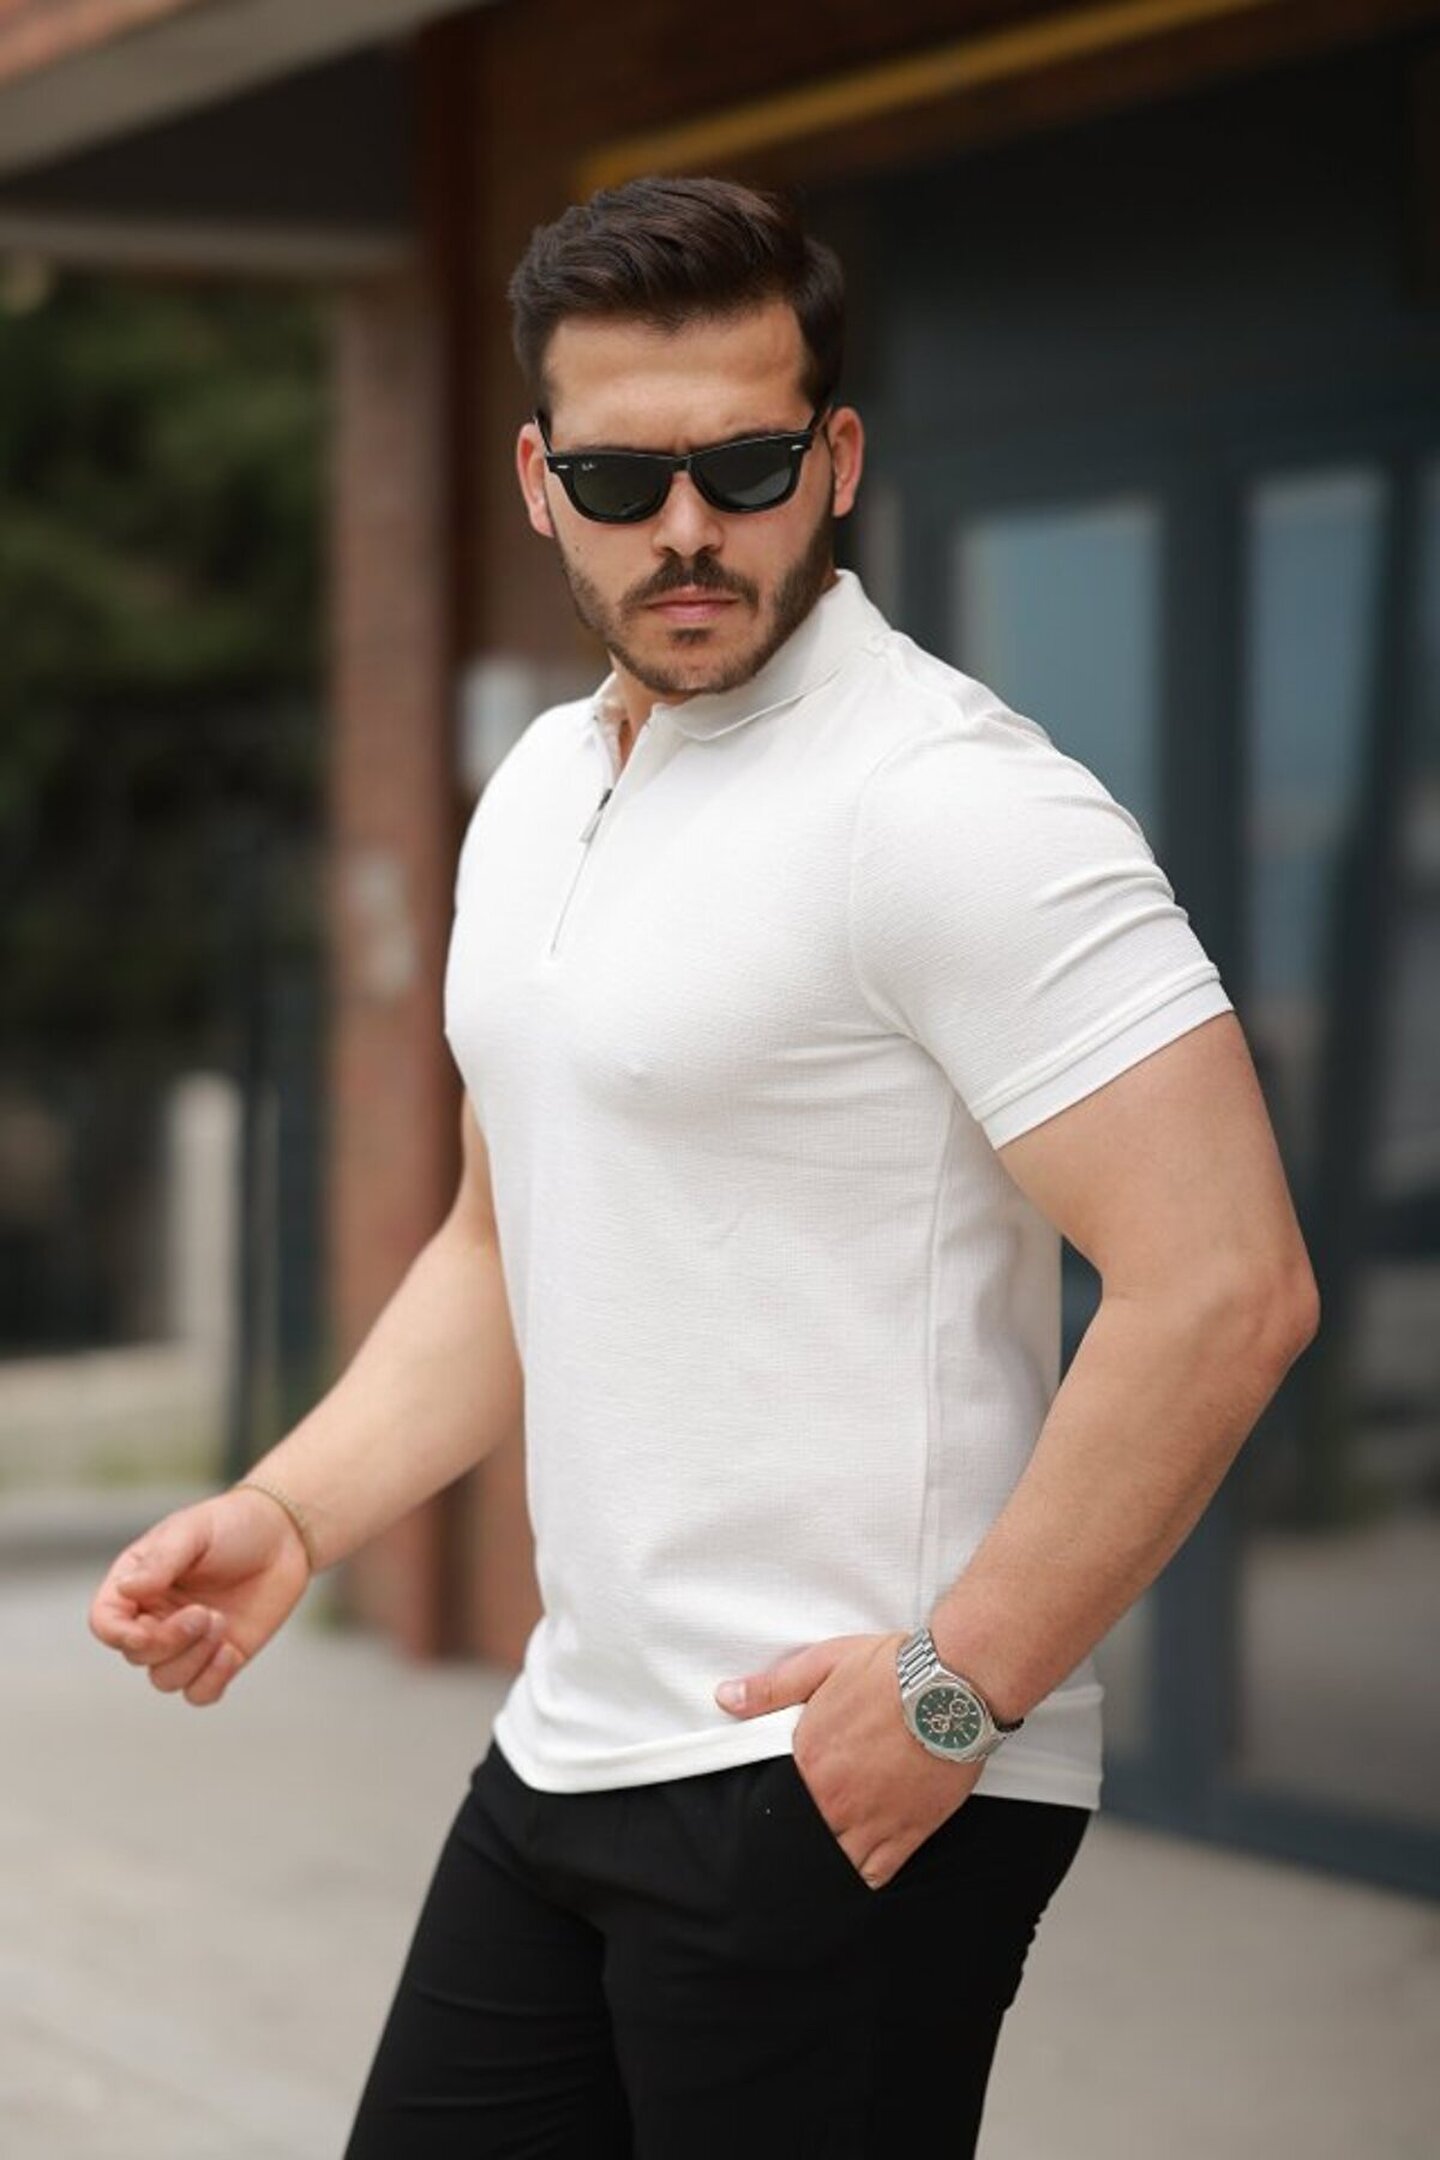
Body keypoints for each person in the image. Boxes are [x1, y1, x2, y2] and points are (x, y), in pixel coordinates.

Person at [89, 176, 1319, 2158]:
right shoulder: (541, 796)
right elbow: (502, 1244)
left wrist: (958, 1692)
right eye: (621, 475)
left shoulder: (952, 805)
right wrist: (297, 1514)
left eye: (745, 465)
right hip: (571, 1741)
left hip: (838, 1769)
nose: (686, 527)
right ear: (537, 481)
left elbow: (1226, 1284)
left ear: (837, 460)